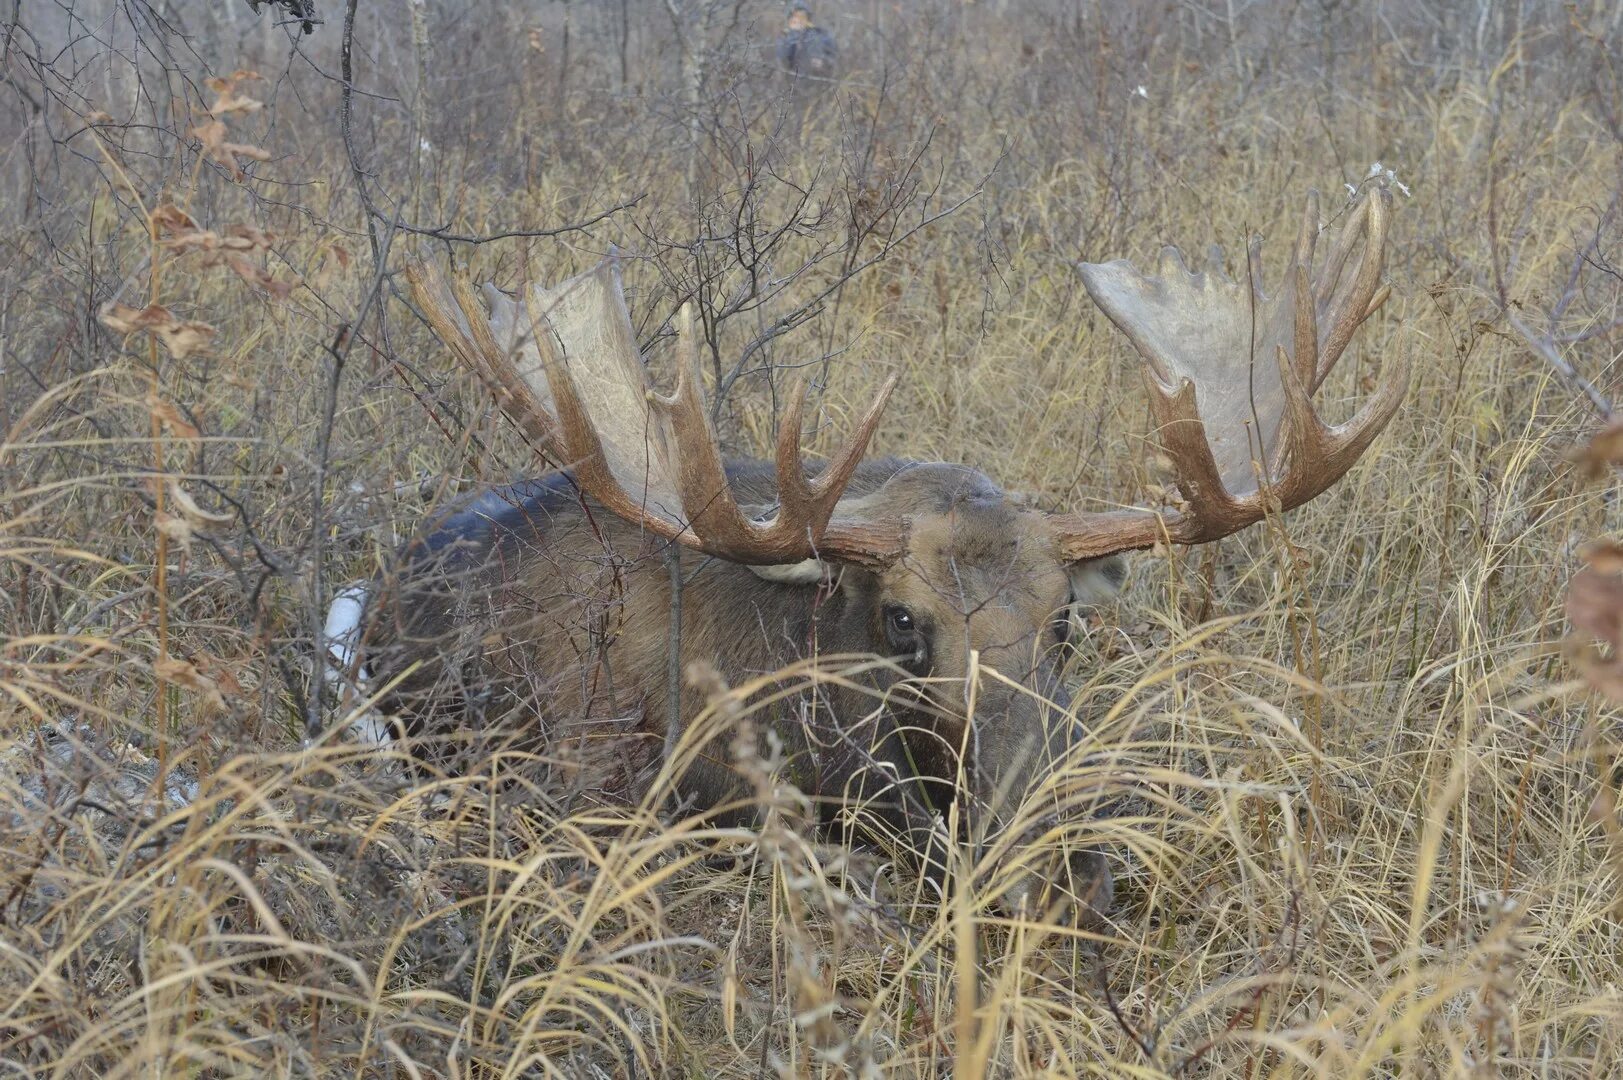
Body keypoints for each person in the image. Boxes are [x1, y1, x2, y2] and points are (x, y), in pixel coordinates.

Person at [776, 2, 837, 81]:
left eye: (802, 17)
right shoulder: (785, 37)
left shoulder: (819, 34)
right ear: (790, 19)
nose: (799, 20)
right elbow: (783, 60)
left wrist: (823, 62)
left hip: (818, 82)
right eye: (795, 16)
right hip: (792, 85)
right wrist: (794, 34)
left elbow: (833, 56)